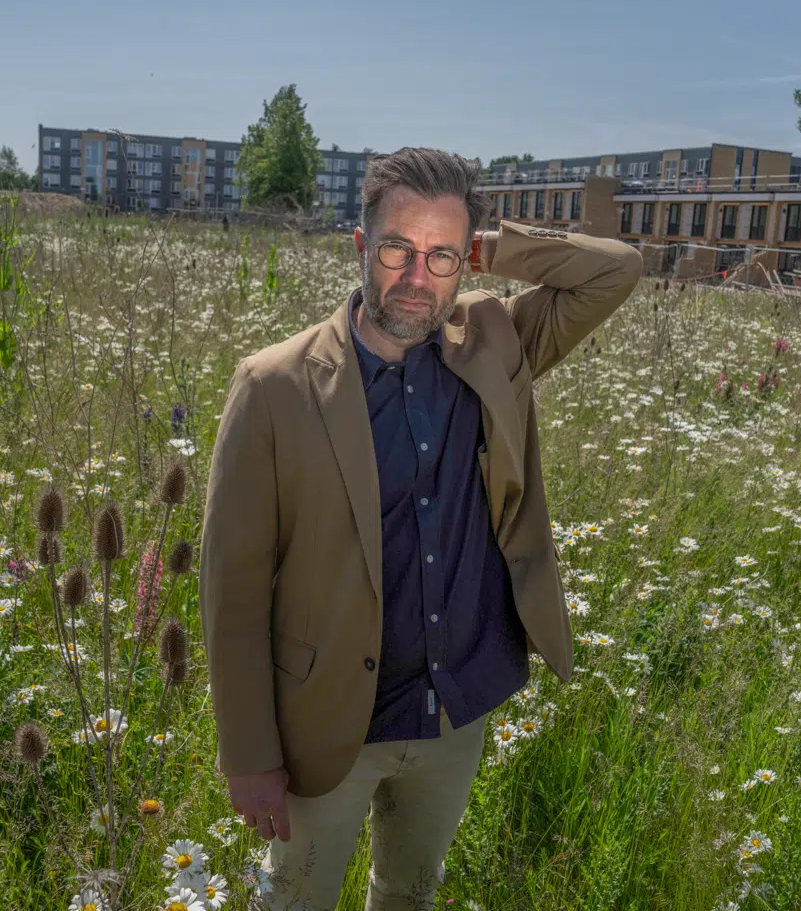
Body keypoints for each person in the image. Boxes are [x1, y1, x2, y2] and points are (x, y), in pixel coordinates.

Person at [199, 146, 641, 910]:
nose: (416, 276)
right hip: (325, 720)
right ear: (360, 246)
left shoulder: (497, 341)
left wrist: (493, 247)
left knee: (409, 894)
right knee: (293, 902)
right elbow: (232, 592)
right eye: (398, 248)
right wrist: (249, 755)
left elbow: (616, 269)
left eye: (442, 257)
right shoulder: (274, 386)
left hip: (452, 710)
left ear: (466, 262)